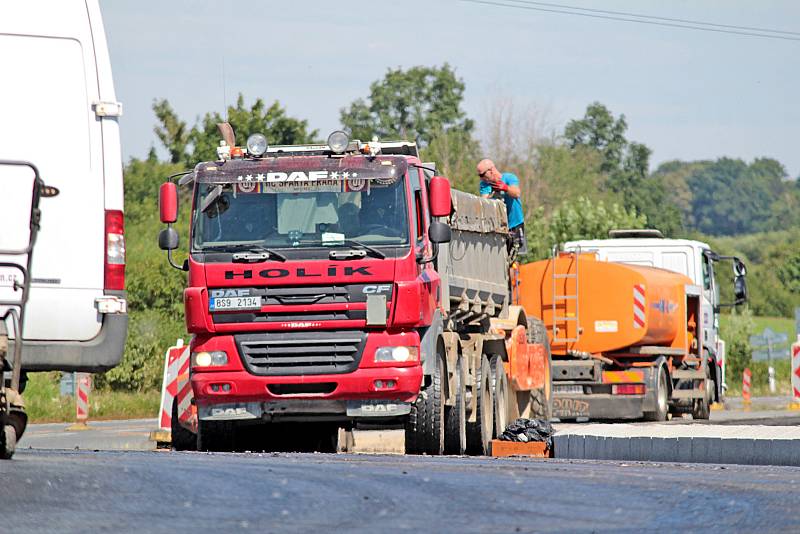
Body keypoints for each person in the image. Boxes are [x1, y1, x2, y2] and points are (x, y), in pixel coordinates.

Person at [477, 159, 527, 254]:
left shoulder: (509, 178)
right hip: (498, 227)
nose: (481, 178)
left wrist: (505, 188)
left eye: (482, 175)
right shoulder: (485, 185)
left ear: (491, 170)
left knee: (514, 255)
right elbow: (483, 202)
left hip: (514, 224)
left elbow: (517, 193)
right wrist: (493, 193)